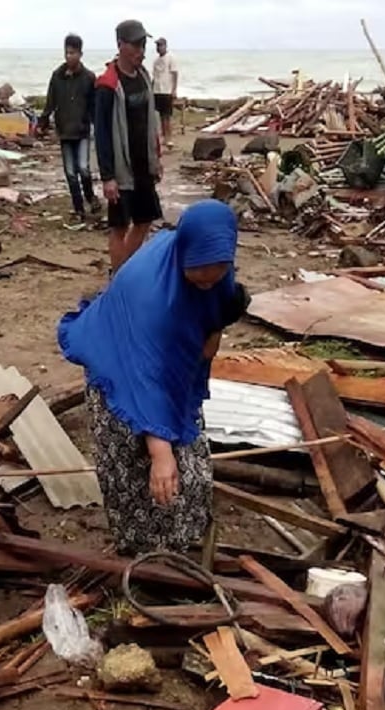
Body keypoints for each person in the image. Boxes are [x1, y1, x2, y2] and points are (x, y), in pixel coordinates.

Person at [57, 200, 250, 555]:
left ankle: (181, 542)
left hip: (168, 362)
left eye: (218, 269)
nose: (208, 279)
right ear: (184, 254)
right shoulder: (150, 296)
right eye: (200, 271)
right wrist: (160, 453)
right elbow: (146, 381)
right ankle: (141, 553)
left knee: (188, 458)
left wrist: (214, 327)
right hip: (119, 362)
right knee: (135, 463)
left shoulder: (217, 269)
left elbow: (214, 325)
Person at [94, 19, 163, 272]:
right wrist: (108, 177)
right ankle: (118, 282)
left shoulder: (144, 77)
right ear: (120, 45)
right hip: (121, 170)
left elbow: (151, 121)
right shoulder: (107, 85)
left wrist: (156, 158)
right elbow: (100, 134)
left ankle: (124, 272)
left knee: (145, 221)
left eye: (143, 44)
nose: (141, 50)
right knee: (119, 227)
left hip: (143, 164)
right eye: (135, 44)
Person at [39, 34, 100, 221]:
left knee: (83, 168)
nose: (69, 56)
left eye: (72, 53)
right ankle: (79, 208)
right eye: (66, 52)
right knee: (70, 173)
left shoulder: (89, 78)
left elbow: (94, 105)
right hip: (65, 130)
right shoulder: (57, 76)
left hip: (82, 130)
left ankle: (91, 197)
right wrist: (42, 123)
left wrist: (98, 126)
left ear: (80, 54)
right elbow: (50, 102)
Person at [152, 37, 179, 150]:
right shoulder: (156, 61)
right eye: (157, 46)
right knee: (159, 116)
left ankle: (169, 138)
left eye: (161, 45)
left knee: (167, 116)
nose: (159, 48)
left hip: (166, 91)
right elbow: (154, 76)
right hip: (156, 91)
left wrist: (174, 90)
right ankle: (163, 137)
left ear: (165, 46)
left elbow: (175, 74)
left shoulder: (171, 58)